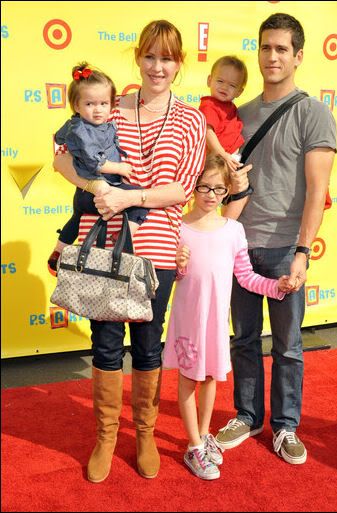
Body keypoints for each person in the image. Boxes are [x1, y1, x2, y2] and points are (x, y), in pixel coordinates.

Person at [53, 20, 246, 484]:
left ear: (180, 65)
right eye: (151, 56)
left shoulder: (190, 119)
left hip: (157, 246)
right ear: (138, 57)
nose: (158, 66)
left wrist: (127, 197)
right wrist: (94, 184)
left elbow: (179, 189)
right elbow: (62, 155)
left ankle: (143, 434)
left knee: (145, 344)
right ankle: (104, 436)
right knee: (103, 341)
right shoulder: (108, 106)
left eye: (168, 58)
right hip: (101, 241)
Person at [215, 13, 337, 465]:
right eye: (266, 47)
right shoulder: (239, 116)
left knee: (288, 345)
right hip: (239, 245)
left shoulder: (314, 113)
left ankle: (286, 426)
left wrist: (303, 252)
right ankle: (247, 416)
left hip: (287, 248)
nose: (272, 56)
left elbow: (317, 191)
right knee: (244, 339)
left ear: (298, 56)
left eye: (282, 48)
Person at [163, 154, 293, 480]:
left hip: (216, 325)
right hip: (188, 325)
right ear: (191, 186)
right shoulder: (176, 227)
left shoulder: (233, 230)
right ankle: (193, 446)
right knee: (189, 379)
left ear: (226, 192)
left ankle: (203, 434)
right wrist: (176, 266)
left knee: (209, 379)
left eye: (218, 189)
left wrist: (276, 285)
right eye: (204, 187)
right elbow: (168, 280)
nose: (210, 194)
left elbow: (246, 277)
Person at [47, 62, 148, 276]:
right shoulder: (83, 130)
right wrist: (120, 168)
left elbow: (59, 136)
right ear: (76, 105)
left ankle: (58, 251)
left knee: (77, 217)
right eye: (90, 104)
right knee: (139, 202)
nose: (98, 109)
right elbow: (95, 162)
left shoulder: (78, 124)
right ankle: (122, 242)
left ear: (112, 103)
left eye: (103, 103)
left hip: (82, 194)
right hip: (94, 189)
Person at [199, 55, 248, 172]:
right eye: (220, 81)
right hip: (214, 161)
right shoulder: (209, 105)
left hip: (229, 160)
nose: (224, 87)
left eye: (232, 85)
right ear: (209, 80)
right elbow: (207, 132)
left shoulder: (232, 108)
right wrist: (222, 154)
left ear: (239, 92)